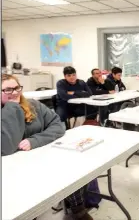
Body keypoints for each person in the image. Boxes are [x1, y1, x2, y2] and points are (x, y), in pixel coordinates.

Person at [1, 74, 93, 220]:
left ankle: (77, 210)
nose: (14, 93)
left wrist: (36, 140)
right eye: (7, 90)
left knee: (73, 167)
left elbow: (57, 125)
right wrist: (12, 107)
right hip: (12, 171)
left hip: (42, 157)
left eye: (17, 88)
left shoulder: (33, 105)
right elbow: (6, 147)